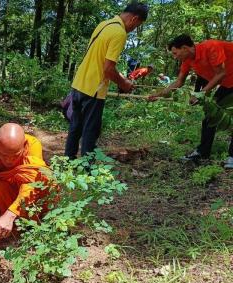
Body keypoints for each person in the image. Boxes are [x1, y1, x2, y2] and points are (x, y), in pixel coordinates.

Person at [64, 2, 148, 159]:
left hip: (79, 84)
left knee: (75, 127)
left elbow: (99, 60)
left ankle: (68, 162)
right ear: (134, 19)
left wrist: (122, 78)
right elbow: (108, 68)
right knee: (90, 131)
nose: (133, 29)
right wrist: (124, 83)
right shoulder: (119, 32)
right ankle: (87, 172)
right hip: (94, 89)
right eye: (137, 26)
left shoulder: (105, 24)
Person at [148, 34, 233, 168]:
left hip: (228, 80)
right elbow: (179, 81)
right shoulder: (187, 60)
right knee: (210, 115)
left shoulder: (211, 47)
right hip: (227, 83)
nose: (175, 57)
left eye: (176, 53)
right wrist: (159, 94)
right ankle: (202, 152)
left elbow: (221, 73)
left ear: (185, 48)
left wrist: (200, 94)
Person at [0, 123, 49, 252]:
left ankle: (32, 219)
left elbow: (32, 185)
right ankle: (17, 223)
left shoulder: (32, 145)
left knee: (47, 181)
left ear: (24, 146)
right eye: (4, 155)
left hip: (29, 196)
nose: (9, 161)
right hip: (11, 193)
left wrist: (10, 214)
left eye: (15, 156)